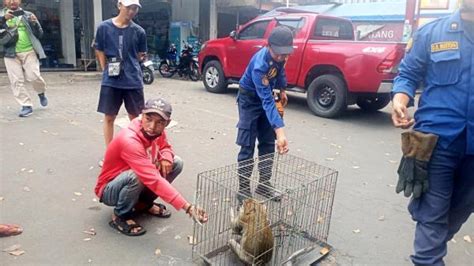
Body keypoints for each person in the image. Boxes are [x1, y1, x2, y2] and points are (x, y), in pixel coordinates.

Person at [391, 1, 473, 265]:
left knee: (458, 212)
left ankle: (433, 238)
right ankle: (429, 250)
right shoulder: (433, 32)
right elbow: (408, 73)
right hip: (436, 145)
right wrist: (400, 100)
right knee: (432, 219)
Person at [95, 98, 208, 236]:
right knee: (137, 175)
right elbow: (152, 178)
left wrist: (166, 157)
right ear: (141, 116)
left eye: (159, 122)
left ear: (167, 123)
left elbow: (165, 147)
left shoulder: (156, 132)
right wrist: (187, 207)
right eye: (148, 119)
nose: (152, 126)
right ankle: (120, 215)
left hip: (137, 179)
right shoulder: (129, 140)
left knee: (176, 163)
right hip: (109, 190)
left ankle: (142, 204)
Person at [236, 26, 292, 203]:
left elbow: (280, 70)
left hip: (266, 95)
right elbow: (267, 101)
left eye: (285, 54)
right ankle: (244, 190)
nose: (282, 57)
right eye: (278, 54)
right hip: (249, 99)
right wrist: (281, 132)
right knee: (248, 144)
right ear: (269, 46)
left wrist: (282, 88)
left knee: (267, 142)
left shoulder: (281, 56)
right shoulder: (260, 65)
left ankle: (264, 184)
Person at [94, 0, 147, 164]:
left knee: (136, 119)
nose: (132, 11)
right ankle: (111, 155)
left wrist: (129, 64)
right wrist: (105, 68)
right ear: (119, 6)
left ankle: (137, 153)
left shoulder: (139, 31)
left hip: (133, 80)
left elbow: (140, 54)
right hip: (111, 80)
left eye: (135, 8)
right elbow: (99, 48)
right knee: (109, 117)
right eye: (129, 7)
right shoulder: (104, 27)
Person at [0, 0, 48, 117]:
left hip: (29, 51)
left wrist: (35, 23)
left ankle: (41, 92)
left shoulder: (27, 15)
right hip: (9, 52)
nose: (12, 1)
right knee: (16, 81)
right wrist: (3, 19)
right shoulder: (1, 15)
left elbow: (40, 34)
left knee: (34, 76)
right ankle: (26, 105)